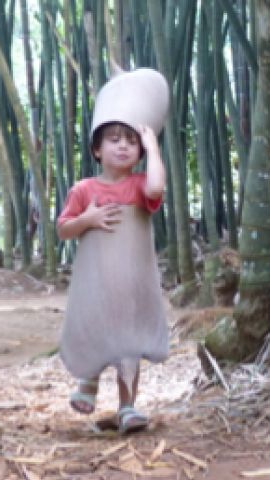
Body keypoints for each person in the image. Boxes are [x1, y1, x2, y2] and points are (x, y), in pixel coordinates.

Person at [56, 68, 169, 434]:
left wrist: (154, 149)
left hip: (133, 283)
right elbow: (62, 229)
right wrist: (86, 218)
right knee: (93, 327)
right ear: (96, 148)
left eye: (131, 141)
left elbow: (155, 189)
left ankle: (127, 407)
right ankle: (87, 382)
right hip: (96, 281)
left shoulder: (139, 186)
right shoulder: (84, 189)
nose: (123, 146)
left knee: (129, 345)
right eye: (114, 139)